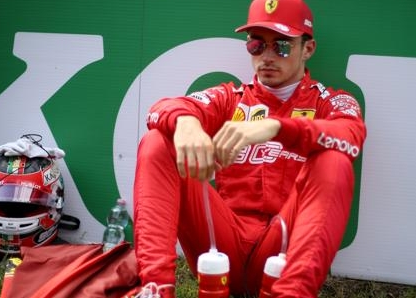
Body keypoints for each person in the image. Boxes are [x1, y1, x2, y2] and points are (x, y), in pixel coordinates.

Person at [132, 0, 366, 297]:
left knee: (335, 161)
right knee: (157, 140)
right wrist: (186, 124)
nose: (267, 56)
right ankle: (155, 288)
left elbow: (352, 134)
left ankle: (294, 293)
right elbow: (163, 108)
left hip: (283, 247)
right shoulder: (231, 96)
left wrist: (278, 128)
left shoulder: (330, 101)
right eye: (257, 45)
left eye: (281, 46)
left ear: (308, 49)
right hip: (220, 245)